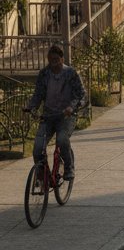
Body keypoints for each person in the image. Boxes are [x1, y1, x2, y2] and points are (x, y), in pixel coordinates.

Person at [23, 45, 86, 179]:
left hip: (66, 116)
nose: (54, 62)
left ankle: (69, 167)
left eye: (56, 59)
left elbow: (81, 94)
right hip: (48, 116)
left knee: (62, 139)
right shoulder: (44, 74)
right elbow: (38, 94)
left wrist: (71, 107)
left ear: (62, 59)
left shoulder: (71, 73)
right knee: (38, 148)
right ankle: (41, 176)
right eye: (51, 59)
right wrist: (31, 107)